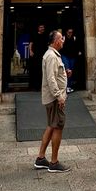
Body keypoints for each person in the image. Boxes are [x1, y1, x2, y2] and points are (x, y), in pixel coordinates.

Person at [34, 30, 70, 172]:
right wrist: (59, 96)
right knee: (58, 126)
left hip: (54, 97)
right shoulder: (51, 56)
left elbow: (55, 75)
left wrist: (64, 74)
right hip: (55, 99)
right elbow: (50, 79)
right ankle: (54, 162)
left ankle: (41, 158)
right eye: (61, 38)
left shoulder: (52, 55)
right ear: (55, 41)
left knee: (51, 125)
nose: (63, 40)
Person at [62, 27, 81, 93]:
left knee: (71, 71)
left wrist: (78, 51)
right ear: (66, 32)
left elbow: (77, 46)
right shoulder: (63, 38)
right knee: (68, 70)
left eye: (71, 32)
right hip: (65, 56)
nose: (70, 34)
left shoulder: (74, 38)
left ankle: (69, 86)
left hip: (72, 57)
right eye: (69, 32)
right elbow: (60, 47)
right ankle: (66, 87)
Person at [27, 23, 46, 91]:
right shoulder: (34, 35)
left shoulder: (45, 36)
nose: (42, 28)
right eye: (41, 27)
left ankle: (41, 86)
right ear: (38, 28)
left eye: (43, 27)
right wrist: (31, 51)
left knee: (42, 71)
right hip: (35, 55)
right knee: (35, 70)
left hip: (43, 55)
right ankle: (34, 86)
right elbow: (31, 44)